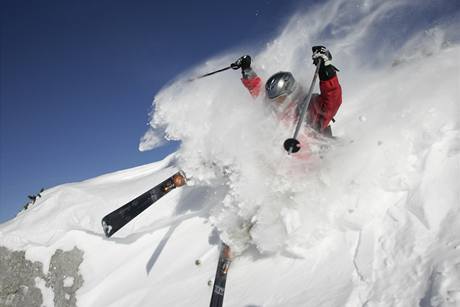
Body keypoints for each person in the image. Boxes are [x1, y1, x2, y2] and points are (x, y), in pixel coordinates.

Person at [230, 46, 342, 138]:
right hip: (279, 160)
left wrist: (325, 70)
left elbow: (332, 98)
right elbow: (258, 92)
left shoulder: (309, 107)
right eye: (274, 100)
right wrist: (246, 70)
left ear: (290, 92)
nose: (276, 103)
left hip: (315, 160)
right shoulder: (276, 111)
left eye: (280, 98)